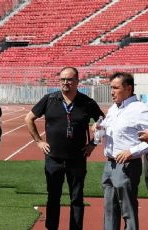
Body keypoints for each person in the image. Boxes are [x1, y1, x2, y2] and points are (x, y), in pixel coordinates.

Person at [24, 67, 104, 230]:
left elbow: (104, 121)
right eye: (62, 79)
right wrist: (39, 141)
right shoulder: (49, 99)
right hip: (54, 159)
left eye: (69, 79)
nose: (65, 83)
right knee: (53, 197)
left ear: (77, 81)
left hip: (77, 159)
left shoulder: (87, 102)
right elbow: (29, 118)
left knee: (77, 198)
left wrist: (93, 144)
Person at [95, 72, 148, 230]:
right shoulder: (114, 108)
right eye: (111, 87)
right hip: (110, 165)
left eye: (116, 88)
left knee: (128, 210)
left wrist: (131, 151)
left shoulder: (139, 109)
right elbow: (105, 131)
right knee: (109, 209)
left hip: (127, 165)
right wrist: (99, 130)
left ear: (128, 89)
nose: (112, 91)